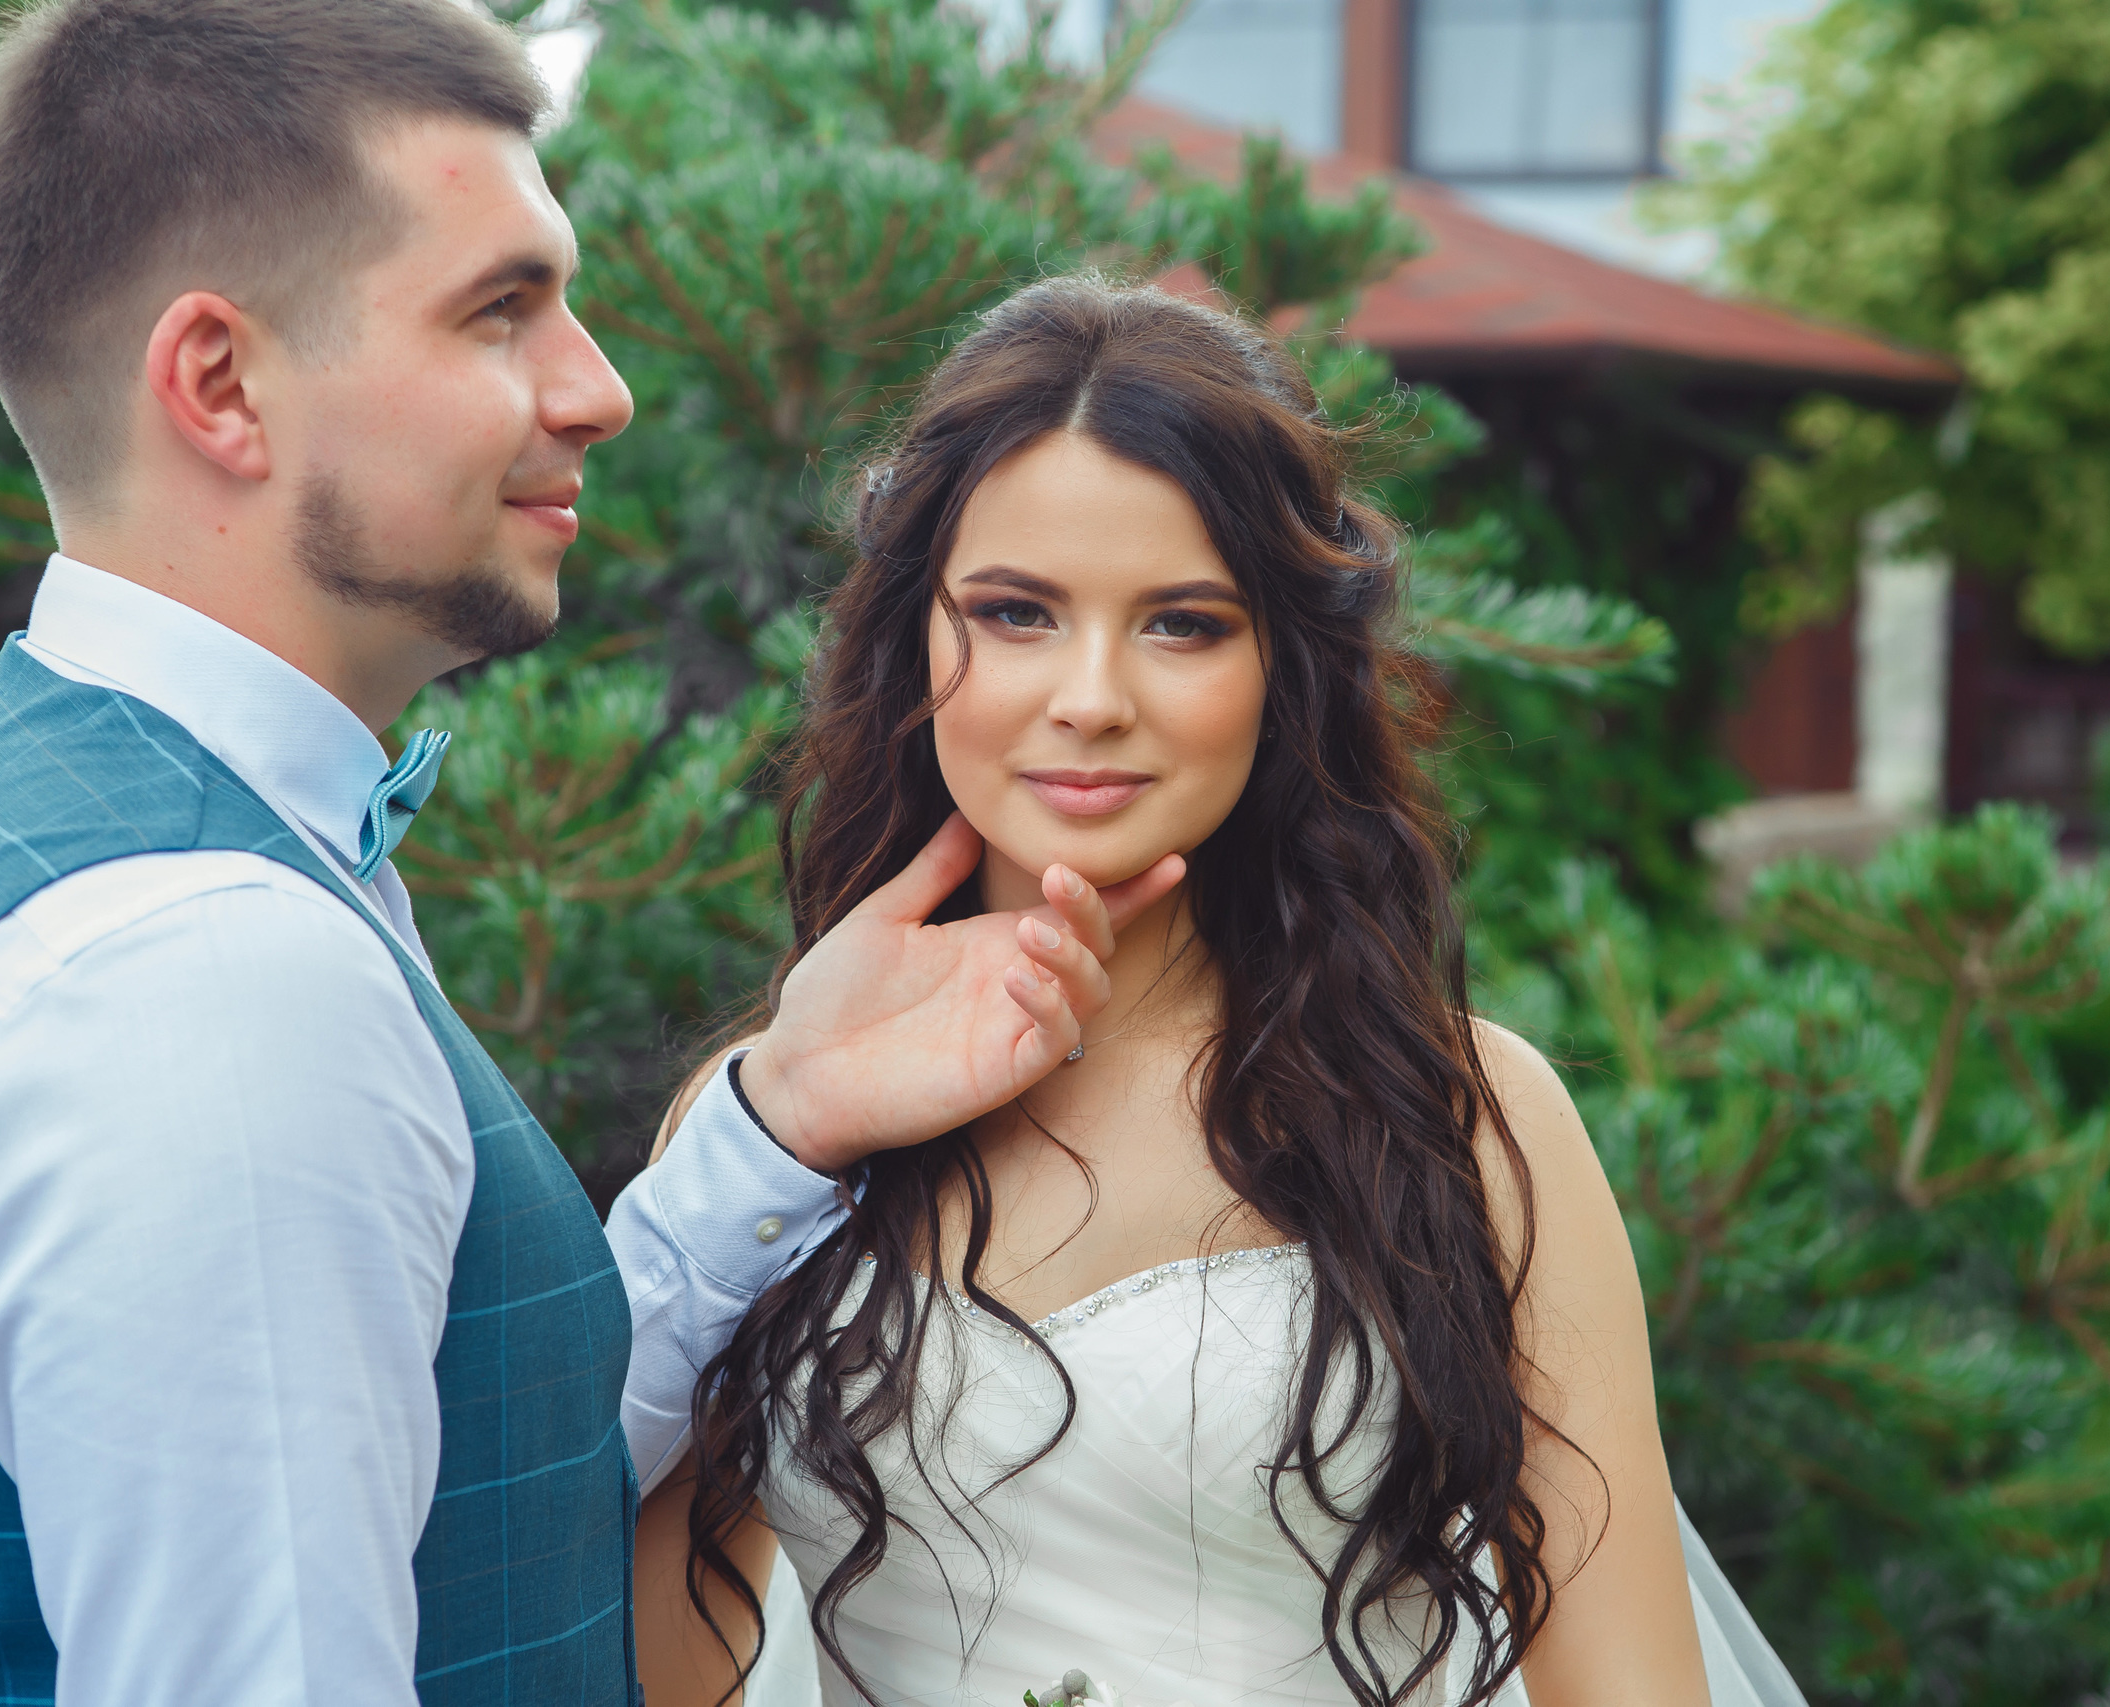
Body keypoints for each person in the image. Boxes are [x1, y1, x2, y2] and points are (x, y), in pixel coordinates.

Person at [0, 4, 1163, 1702]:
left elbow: (440, 1487)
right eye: (500, 310)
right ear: (223, 384)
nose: (594, 389)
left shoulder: (119, 836)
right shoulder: (199, 982)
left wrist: (780, 1123)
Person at [613, 278, 1811, 1707]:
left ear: (1283, 668)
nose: (1093, 695)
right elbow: (658, 1671)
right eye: (1015, 613)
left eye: (1182, 624)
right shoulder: (762, 1126)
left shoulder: (1462, 1119)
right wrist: (792, 1122)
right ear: (913, 641)